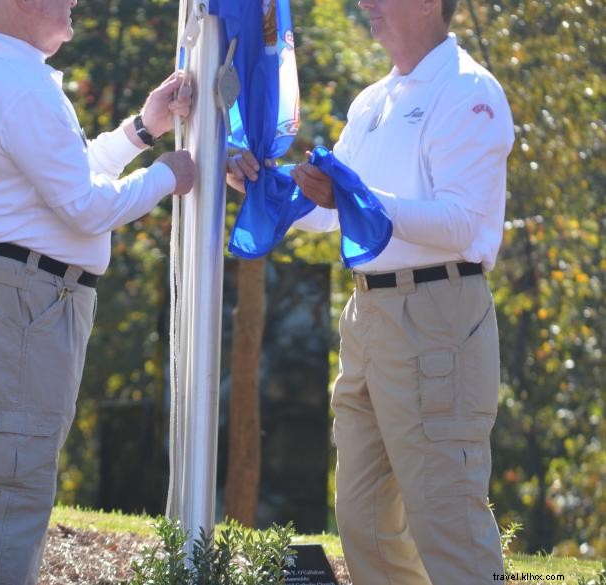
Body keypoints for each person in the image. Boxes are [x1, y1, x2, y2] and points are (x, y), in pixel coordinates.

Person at [227, 0, 514, 583]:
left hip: (438, 318)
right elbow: (334, 211)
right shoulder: (372, 101)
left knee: (448, 525)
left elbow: (461, 223)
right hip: (368, 316)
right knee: (363, 522)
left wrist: (356, 199)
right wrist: (263, 185)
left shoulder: (469, 92)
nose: (365, 4)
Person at [0, 0, 195, 582]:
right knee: (10, 492)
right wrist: (167, 176)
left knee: (2, 484)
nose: (74, 0)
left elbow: (68, 176)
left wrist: (142, 130)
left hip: (1, 296)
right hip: (17, 303)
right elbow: (83, 206)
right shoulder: (20, 84)